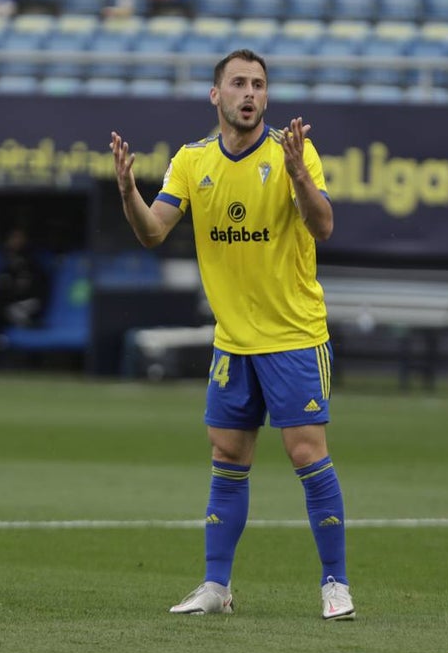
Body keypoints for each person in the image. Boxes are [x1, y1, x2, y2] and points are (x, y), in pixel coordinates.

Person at [111, 50, 354, 621]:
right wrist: (127, 192)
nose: (250, 93)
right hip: (233, 341)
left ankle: (335, 583)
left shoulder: (295, 154)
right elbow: (153, 232)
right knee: (227, 454)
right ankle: (216, 587)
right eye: (239, 83)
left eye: (259, 85)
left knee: (305, 453)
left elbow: (323, 226)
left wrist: (297, 174)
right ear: (215, 95)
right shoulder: (192, 161)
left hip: (294, 335)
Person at [0, 228, 51, 345]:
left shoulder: (33, 266)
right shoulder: (7, 265)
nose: (14, 242)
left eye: (18, 238)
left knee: (0, 312)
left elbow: (35, 293)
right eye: (12, 238)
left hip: (29, 307)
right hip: (8, 307)